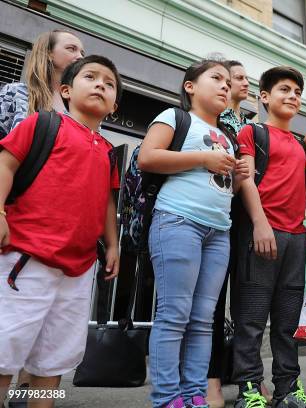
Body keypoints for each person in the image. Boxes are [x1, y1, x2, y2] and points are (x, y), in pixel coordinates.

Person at [0, 54, 122, 408]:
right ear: (66, 90)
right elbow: (6, 164)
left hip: (79, 269)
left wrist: (112, 244)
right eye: (91, 77)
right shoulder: (43, 123)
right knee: (5, 349)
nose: (101, 83)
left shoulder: (110, 152)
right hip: (27, 257)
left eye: (109, 83)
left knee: (54, 358)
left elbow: (105, 204)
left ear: (114, 106)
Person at [138, 58, 249, 408]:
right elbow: (148, 157)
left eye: (227, 83)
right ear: (190, 86)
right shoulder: (175, 117)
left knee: (203, 321)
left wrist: (239, 181)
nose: (224, 86)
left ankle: (194, 397)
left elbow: (222, 188)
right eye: (216, 79)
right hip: (177, 221)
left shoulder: (229, 137)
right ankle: (167, 398)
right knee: (174, 315)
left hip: (218, 232)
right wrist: (203, 158)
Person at [0, 28, 85, 408]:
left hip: (60, 235)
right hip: (16, 226)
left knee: (48, 340)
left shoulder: (79, 110)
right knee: (10, 333)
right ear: (48, 55)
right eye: (71, 48)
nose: (80, 54)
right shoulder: (14, 96)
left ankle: (25, 396)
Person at [232, 66, 306, 408]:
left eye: (297, 92)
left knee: (288, 323)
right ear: (265, 96)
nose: (293, 96)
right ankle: (249, 390)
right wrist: (259, 223)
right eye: (285, 89)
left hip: (296, 237)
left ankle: (288, 389)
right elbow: (246, 180)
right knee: (251, 318)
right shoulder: (251, 132)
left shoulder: (301, 145)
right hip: (261, 234)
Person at [207, 59, 273, 407]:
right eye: (238, 77)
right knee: (214, 303)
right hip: (218, 212)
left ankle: (252, 377)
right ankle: (212, 380)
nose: (245, 82)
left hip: (249, 218)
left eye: (248, 77)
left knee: (250, 303)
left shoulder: (253, 125)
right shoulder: (213, 120)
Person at [0, 29, 84, 139]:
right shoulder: (16, 92)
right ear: (49, 53)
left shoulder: (80, 106)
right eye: (71, 49)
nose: (80, 57)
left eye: (82, 53)